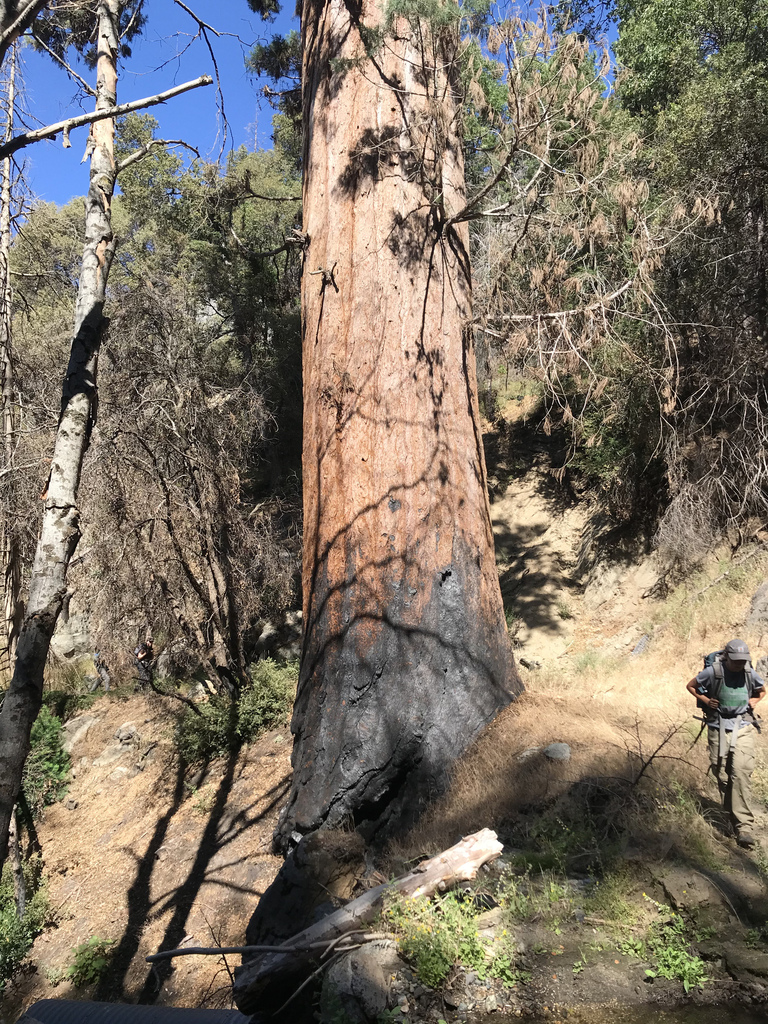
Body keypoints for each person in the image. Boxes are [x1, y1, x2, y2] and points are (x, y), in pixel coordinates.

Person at [687, 638, 765, 848]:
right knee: (722, 774)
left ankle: (744, 827)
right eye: (736, 661)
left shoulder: (748, 672)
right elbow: (691, 685)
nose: (739, 664)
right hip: (718, 726)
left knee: (740, 772)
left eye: (742, 661)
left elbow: (762, 690)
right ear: (727, 657)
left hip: (743, 727)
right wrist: (705, 701)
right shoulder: (713, 671)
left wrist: (755, 701)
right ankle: (732, 815)